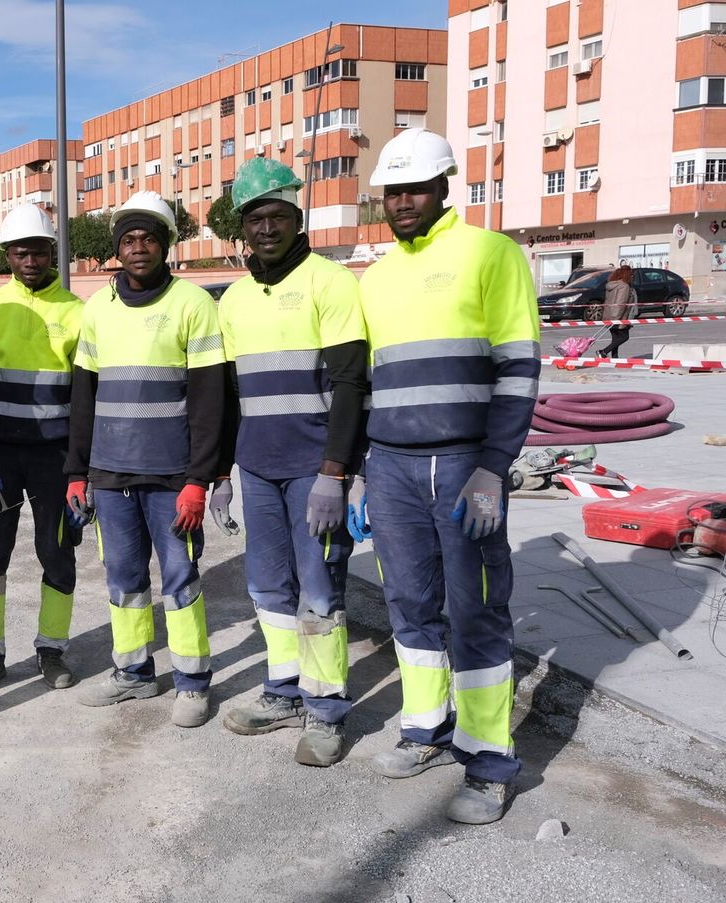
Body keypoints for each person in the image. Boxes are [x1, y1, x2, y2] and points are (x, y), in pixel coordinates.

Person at [358, 127, 540, 825]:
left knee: (477, 609)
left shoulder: (490, 253)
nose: (402, 202)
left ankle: (489, 761)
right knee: (408, 601)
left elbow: (519, 365)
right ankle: (425, 728)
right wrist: (360, 473)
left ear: (442, 187)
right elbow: (368, 384)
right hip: (393, 465)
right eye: (392, 192)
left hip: (466, 464)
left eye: (414, 189)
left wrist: (495, 465)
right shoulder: (375, 276)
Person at [211, 158, 368, 767]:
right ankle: (283, 690)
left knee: (320, 590)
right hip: (258, 467)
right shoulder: (235, 300)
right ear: (242, 228)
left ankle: (326, 710)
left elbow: (352, 383)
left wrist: (336, 472)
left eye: (278, 217)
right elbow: (228, 396)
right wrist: (222, 472)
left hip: (313, 471)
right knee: (268, 586)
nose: (267, 229)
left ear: (297, 221)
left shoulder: (331, 284)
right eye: (256, 219)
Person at [66, 190, 227, 727]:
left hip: (172, 478)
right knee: (123, 579)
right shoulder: (98, 310)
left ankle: (192, 682)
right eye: (129, 240)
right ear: (117, 248)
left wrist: (198, 479)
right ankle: (133, 675)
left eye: (149, 239)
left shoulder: (192, 304)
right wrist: (76, 471)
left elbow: (210, 401)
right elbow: (83, 397)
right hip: (110, 477)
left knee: (180, 578)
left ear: (165, 246)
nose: (139, 248)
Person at [0, 203, 85, 695]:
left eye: (39, 251)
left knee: (58, 553)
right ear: (7, 256)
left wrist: (80, 468)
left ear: (53, 252)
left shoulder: (77, 313)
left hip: (55, 460)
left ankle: (52, 650)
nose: (30, 260)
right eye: (21, 252)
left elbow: (85, 400)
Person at [599, 266, 637, 358]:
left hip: (608, 314)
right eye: (631, 275)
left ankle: (615, 358)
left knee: (615, 339)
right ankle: (603, 352)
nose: (632, 277)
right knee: (624, 337)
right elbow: (621, 303)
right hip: (618, 316)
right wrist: (616, 318)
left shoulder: (612, 285)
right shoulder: (624, 286)